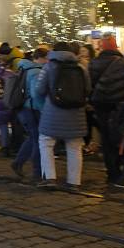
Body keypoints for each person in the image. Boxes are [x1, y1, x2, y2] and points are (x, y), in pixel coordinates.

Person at [35, 42, 90, 189]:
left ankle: (50, 178)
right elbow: (88, 89)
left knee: (46, 143)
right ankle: (74, 181)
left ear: (53, 51)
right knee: (74, 147)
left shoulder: (48, 67)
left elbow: (39, 90)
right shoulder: (81, 68)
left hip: (53, 112)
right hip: (76, 113)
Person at [89, 33, 124, 188]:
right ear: (114, 45)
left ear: (102, 46)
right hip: (120, 107)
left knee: (107, 140)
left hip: (101, 107)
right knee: (121, 139)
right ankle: (122, 171)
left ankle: (112, 173)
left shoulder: (94, 63)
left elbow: (89, 86)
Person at [11, 48, 48, 179]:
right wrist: (44, 109)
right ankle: (37, 171)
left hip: (23, 108)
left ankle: (18, 162)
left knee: (33, 137)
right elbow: (36, 94)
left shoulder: (24, 68)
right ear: (42, 58)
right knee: (38, 139)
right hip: (32, 109)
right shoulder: (37, 71)